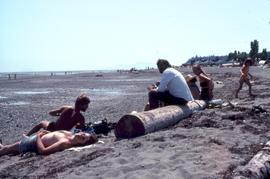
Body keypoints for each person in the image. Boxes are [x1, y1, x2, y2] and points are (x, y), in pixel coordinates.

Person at [0, 130, 97, 156]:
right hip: (34, 139)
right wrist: (48, 133)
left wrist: (38, 136)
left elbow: (43, 151)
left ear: (82, 143)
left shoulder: (65, 143)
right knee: (8, 148)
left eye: (83, 138)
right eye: (83, 134)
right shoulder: (69, 133)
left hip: (32, 143)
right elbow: (53, 135)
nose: (81, 135)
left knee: (6, 149)